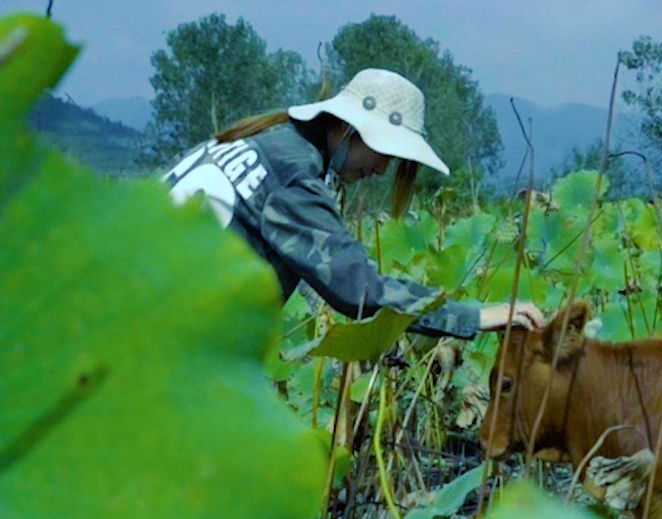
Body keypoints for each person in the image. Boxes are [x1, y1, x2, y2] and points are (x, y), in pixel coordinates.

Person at [161, 68, 544, 337]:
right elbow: (358, 289)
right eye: (385, 153)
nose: (381, 170)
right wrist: (474, 316)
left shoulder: (257, 142)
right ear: (348, 129)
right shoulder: (291, 175)